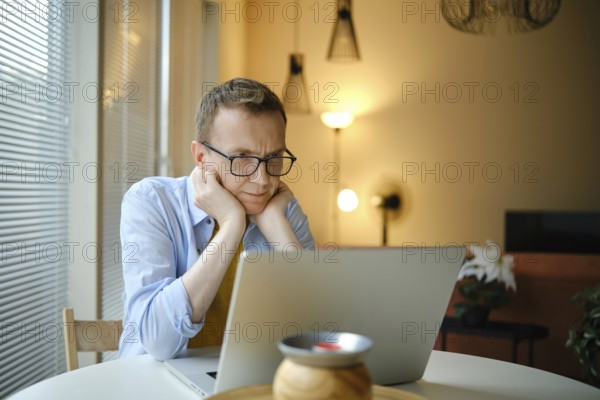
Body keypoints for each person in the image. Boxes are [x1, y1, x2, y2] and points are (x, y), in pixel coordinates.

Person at [118, 78, 315, 360]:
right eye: (242, 158)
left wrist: (277, 228)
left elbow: (321, 335)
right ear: (201, 157)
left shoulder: (281, 209)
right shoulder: (151, 201)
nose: (263, 180)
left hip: (249, 382)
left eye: (274, 158)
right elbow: (158, 342)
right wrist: (232, 225)